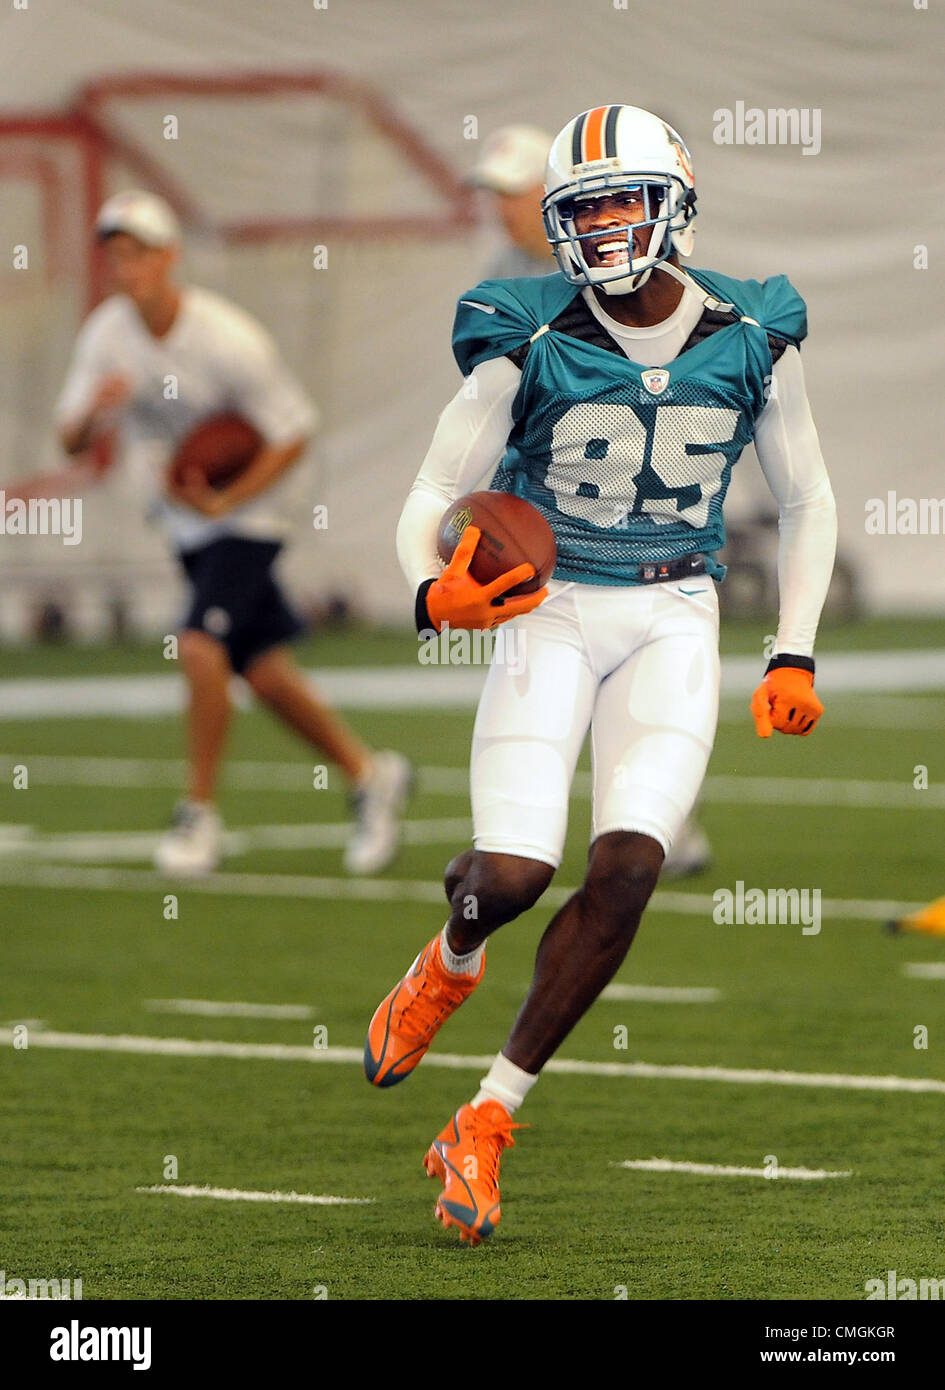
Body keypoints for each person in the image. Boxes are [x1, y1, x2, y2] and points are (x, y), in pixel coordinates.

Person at [363, 106, 838, 1245]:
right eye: (583, 208)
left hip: (675, 610)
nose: (606, 225)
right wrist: (433, 588)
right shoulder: (525, 330)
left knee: (629, 869)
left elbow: (810, 496)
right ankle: (452, 954)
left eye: (623, 200)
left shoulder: (752, 327)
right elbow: (432, 495)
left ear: (670, 201)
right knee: (515, 874)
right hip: (555, 607)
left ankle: (485, 1115)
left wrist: (793, 647)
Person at [55, 189, 411, 877]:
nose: (124, 269)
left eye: (136, 254)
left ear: (167, 257)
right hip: (188, 520)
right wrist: (95, 414)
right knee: (260, 668)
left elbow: (292, 431)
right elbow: (69, 439)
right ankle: (369, 775)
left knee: (197, 645)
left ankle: (199, 814)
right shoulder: (107, 334)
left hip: (257, 511)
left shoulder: (225, 336)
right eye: (115, 257)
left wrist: (230, 496)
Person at [473, 123, 710, 877]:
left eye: (513, 193)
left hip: (641, 485)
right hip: (558, 515)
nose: (503, 209)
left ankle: (659, 819)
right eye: (499, 196)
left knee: (650, 648)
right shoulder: (507, 282)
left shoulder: (643, 275)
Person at [469, 125, 558, 279]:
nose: (502, 207)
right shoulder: (504, 269)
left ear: (551, 188)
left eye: (512, 193)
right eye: (496, 194)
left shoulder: (600, 255)